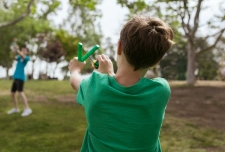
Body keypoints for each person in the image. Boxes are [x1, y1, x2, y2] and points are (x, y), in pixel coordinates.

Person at [69, 15, 174, 152]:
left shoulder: (94, 87)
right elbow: (124, 90)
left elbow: (74, 81)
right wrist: (106, 76)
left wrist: (76, 68)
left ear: (119, 47)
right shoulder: (161, 90)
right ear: (156, 61)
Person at [7, 45, 32, 117]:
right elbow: (14, 57)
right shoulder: (18, 57)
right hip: (16, 77)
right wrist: (14, 51)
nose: (23, 51)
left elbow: (22, 56)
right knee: (12, 93)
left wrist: (17, 50)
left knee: (20, 92)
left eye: (24, 50)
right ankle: (16, 108)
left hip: (21, 78)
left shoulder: (27, 58)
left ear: (27, 52)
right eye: (22, 50)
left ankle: (27, 109)